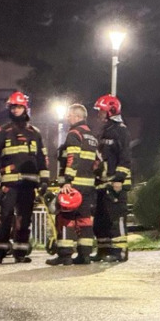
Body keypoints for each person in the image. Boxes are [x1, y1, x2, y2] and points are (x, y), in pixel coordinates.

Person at [0, 92, 50, 264]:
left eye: (19, 107)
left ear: (25, 108)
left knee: (24, 219)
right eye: (13, 107)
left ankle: (20, 252)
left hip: (28, 184)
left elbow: (42, 158)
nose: (16, 110)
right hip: (9, 184)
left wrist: (45, 180)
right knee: (6, 217)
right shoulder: (3, 132)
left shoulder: (35, 133)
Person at [47, 104, 99, 266]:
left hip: (73, 186)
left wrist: (68, 180)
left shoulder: (74, 134)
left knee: (66, 219)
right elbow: (97, 163)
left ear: (77, 117)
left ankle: (65, 254)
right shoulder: (92, 137)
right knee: (84, 220)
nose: (67, 118)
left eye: (69, 115)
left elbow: (72, 158)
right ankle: (85, 255)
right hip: (88, 186)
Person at [92, 95, 132, 263]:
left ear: (111, 111)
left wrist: (119, 179)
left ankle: (120, 251)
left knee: (116, 218)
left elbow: (125, 157)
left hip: (116, 183)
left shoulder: (120, 130)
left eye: (102, 111)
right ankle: (103, 250)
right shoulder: (104, 130)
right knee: (101, 219)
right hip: (102, 182)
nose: (100, 114)